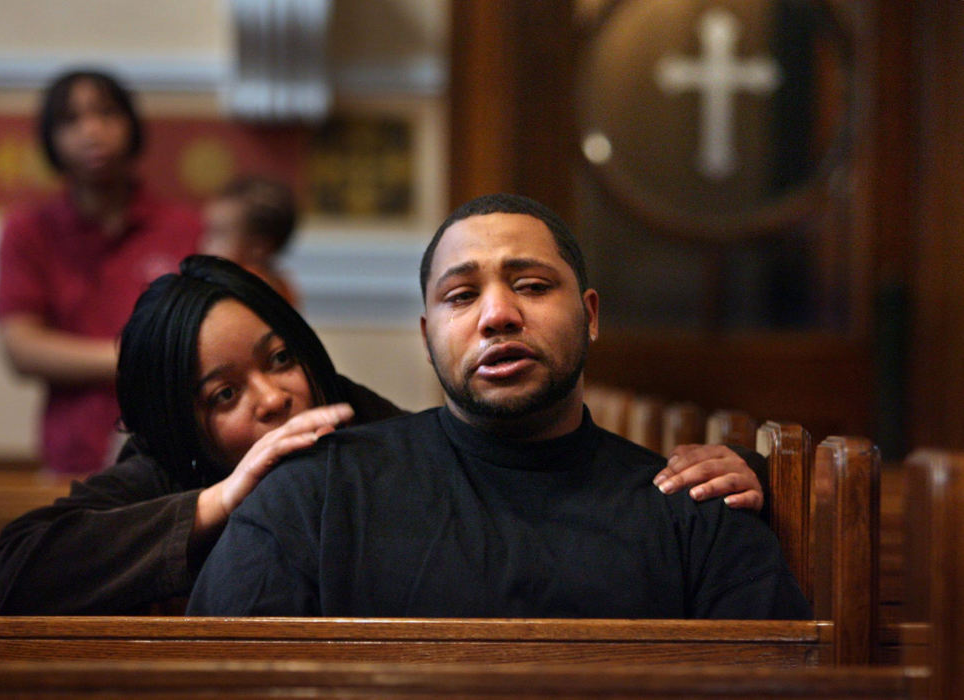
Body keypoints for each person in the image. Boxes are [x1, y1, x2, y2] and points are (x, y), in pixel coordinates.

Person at [186, 194, 810, 619]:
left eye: (532, 286)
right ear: (428, 337)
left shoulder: (695, 515)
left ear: (590, 316)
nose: (498, 315)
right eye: (461, 296)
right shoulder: (311, 497)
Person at [0, 256, 403, 614]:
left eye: (280, 358)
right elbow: (5, 584)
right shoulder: (165, 465)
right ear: (179, 422)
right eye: (226, 394)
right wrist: (221, 499)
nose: (273, 398)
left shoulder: (353, 414)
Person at [0, 68, 202, 475]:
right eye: (70, 120)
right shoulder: (27, 230)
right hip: (72, 456)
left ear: (132, 125)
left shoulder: (187, 227)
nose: (91, 131)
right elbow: (21, 348)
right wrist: (139, 358)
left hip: (174, 455)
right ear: (49, 138)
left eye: (106, 113)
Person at [200, 175, 301, 307]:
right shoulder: (278, 283)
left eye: (218, 233)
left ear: (257, 248)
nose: (205, 242)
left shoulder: (241, 290)